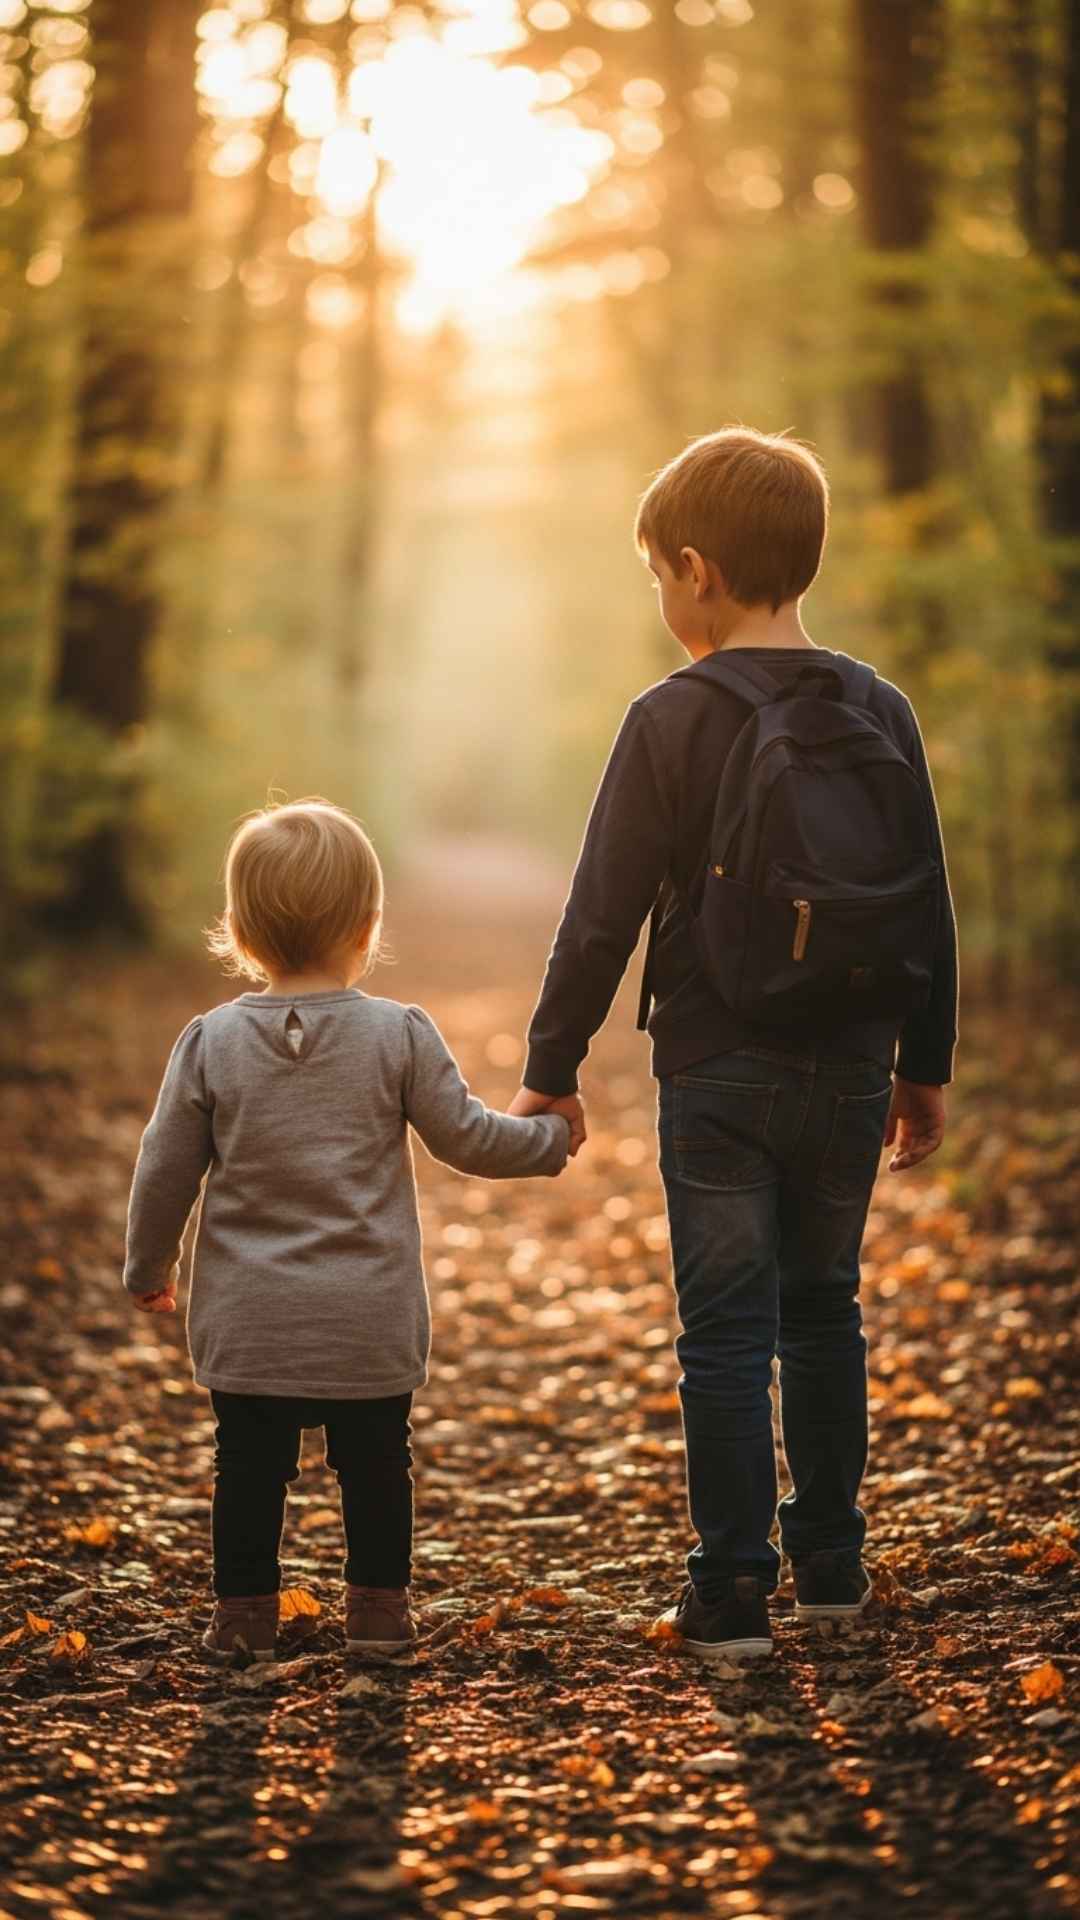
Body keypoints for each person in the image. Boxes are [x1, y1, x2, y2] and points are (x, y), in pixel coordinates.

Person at [510, 427, 958, 1662]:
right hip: (854, 1059)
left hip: (716, 1063)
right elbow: (929, 897)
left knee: (723, 1330)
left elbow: (600, 911)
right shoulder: (883, 707)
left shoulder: (672, 717)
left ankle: (730, 1591)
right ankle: (831, 1566)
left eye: (659, 576)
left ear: (697, 571)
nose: (663, 599)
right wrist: (927, 1063)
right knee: (825, 1309)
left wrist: (553, 1069)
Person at [123, 799, 578, 1663]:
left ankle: (243, 1618)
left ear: (243, 929)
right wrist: (550, 1141)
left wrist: (148, 1264)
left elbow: (164, 1169)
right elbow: (470, 1138)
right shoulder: (396, 1034)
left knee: (248, 1471)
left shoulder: (212, 1043)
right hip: (365, 1318)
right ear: (368, 925)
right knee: (375, 1467)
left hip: (251, 1322)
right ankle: (378, 1615)